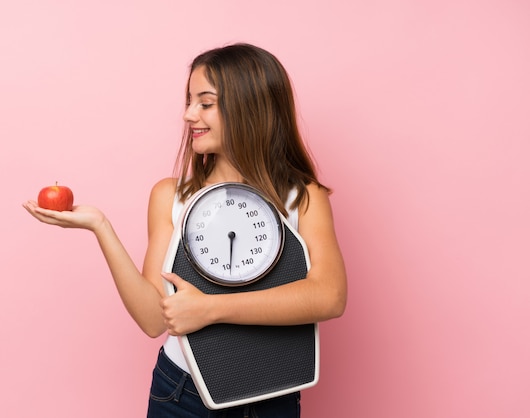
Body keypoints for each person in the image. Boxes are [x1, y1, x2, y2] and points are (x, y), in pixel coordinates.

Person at [23, 43, 347, 418]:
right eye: (189, 101)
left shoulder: (302, 197)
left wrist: (209, 309)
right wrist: (100, 226)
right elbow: (154, 319)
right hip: (181, 394)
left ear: (249, 107)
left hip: (273, 397)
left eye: (205, 103)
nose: (188, 114)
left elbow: (329, 296)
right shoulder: (170, 196)